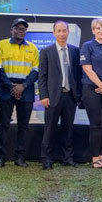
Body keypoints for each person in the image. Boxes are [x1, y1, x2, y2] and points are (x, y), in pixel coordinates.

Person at [0, 18, 39, 168]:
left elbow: (36, 71)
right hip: (7, 89)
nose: (21, 31)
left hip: (26, 89)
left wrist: (23, 86)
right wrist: (11, 86)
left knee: (23, 126)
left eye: (23, 29)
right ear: (11, 30)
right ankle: (0, 157)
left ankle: (20, 157)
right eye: (18, 28)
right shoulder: (1, 45)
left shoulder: (33, 48)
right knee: (4, 125)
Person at [38, 20, 82, 169]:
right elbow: (42, 76)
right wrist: (44, 95)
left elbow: (78, 75)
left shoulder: (75, 51)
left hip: (70, 96)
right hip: (52, 97)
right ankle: (46, 159)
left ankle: (67, 158)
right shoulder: (46, 51)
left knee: (68, 129)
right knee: (49, 129)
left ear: (68, 32)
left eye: (64, 30)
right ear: (54, 33)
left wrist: (78, 95)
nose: (62, 33)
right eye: (59, 31)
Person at [80, 18, 102, 169]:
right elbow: (87, 69)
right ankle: (95, 159)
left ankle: (101, 157)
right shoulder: (87, 46)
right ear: (93, 30)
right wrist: (101, 86)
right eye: (98, 28)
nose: (101, 31)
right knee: (96, 124)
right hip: (91, 89)